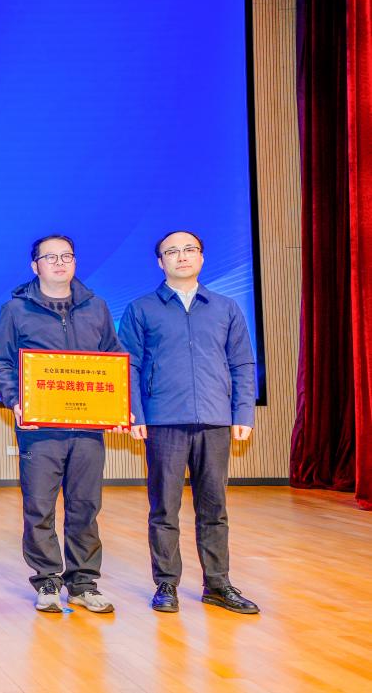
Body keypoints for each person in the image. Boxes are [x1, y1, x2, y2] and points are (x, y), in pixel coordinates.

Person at [118, 230, 260, 614]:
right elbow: (128, 365)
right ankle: (166, 584)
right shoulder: (141, 309)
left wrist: (243, 412)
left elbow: (242, 363)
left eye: (189, 249)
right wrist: (135, 414)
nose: (182, 256)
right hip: (163, 421)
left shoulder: (226, 307)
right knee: (164, 507)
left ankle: (218, 584)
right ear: (159, 262)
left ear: (201, 257)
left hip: (215, 419)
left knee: (214, 508)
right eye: (172, 251)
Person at [0, 235, 124, 614]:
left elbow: (114, 358)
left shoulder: (97, 307)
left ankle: (83, 583)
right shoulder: (16, 309)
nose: (60, 263)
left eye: (67, 256)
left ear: (75, 262)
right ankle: (47, 579)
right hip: (40, 429)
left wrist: (118, 403)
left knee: (85, 506)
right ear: (35, 266)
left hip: (88, 427)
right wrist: (16, 400)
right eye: (51, 257)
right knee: (39, 506)